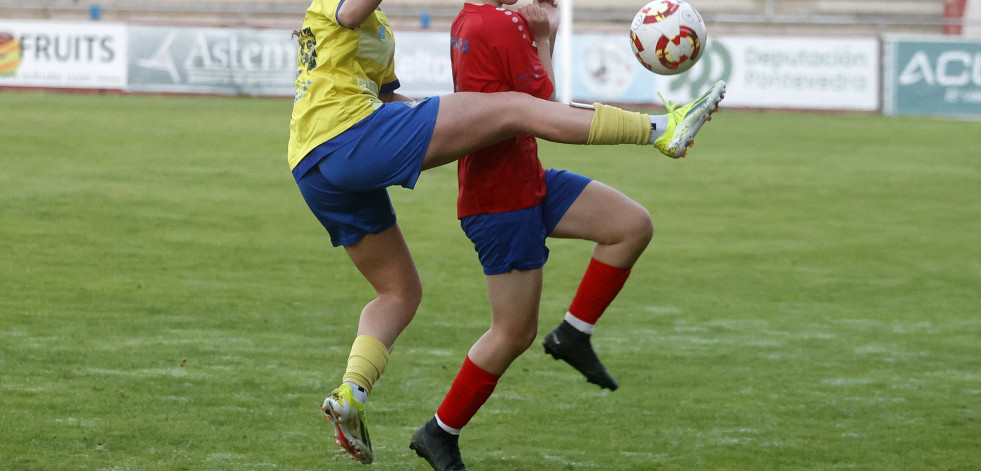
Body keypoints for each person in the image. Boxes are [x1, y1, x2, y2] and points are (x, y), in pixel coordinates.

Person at [287, 0, 725, 466]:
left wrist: (461, 115)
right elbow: (353, 14)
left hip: (315, 165)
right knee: (519, 111)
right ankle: (660, 129)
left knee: (399, 293)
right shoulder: (341, 7)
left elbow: (388, 97)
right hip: (348, 137)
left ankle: (351, 392)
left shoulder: (403, 26)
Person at [406, 1, 699, 470]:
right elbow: (545, 109)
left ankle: (573, 334)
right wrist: (544, 35)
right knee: (513, 333)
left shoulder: (471, 15)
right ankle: (439, 432)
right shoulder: (500, 23)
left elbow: (530, 101)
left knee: (630, 226)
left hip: (526, 178)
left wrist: (543, 31)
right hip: (501, 201)